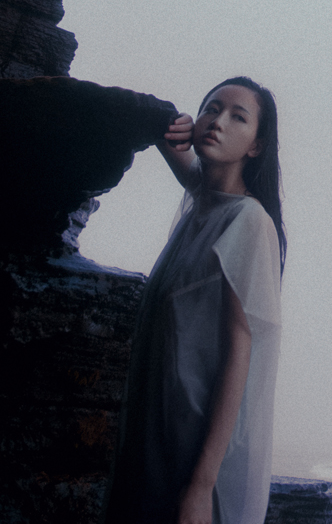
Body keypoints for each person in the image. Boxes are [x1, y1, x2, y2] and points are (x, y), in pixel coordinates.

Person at [103, 77, 286, 524]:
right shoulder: (205, 203)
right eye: (211, 109)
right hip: (158, 431)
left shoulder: (248, 221)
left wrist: (202, 484)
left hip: (198, 448)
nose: (217, 122)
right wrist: (172, 122)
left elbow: (240, 353)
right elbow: (183, 158)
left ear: (257, 146)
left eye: (238, 117)